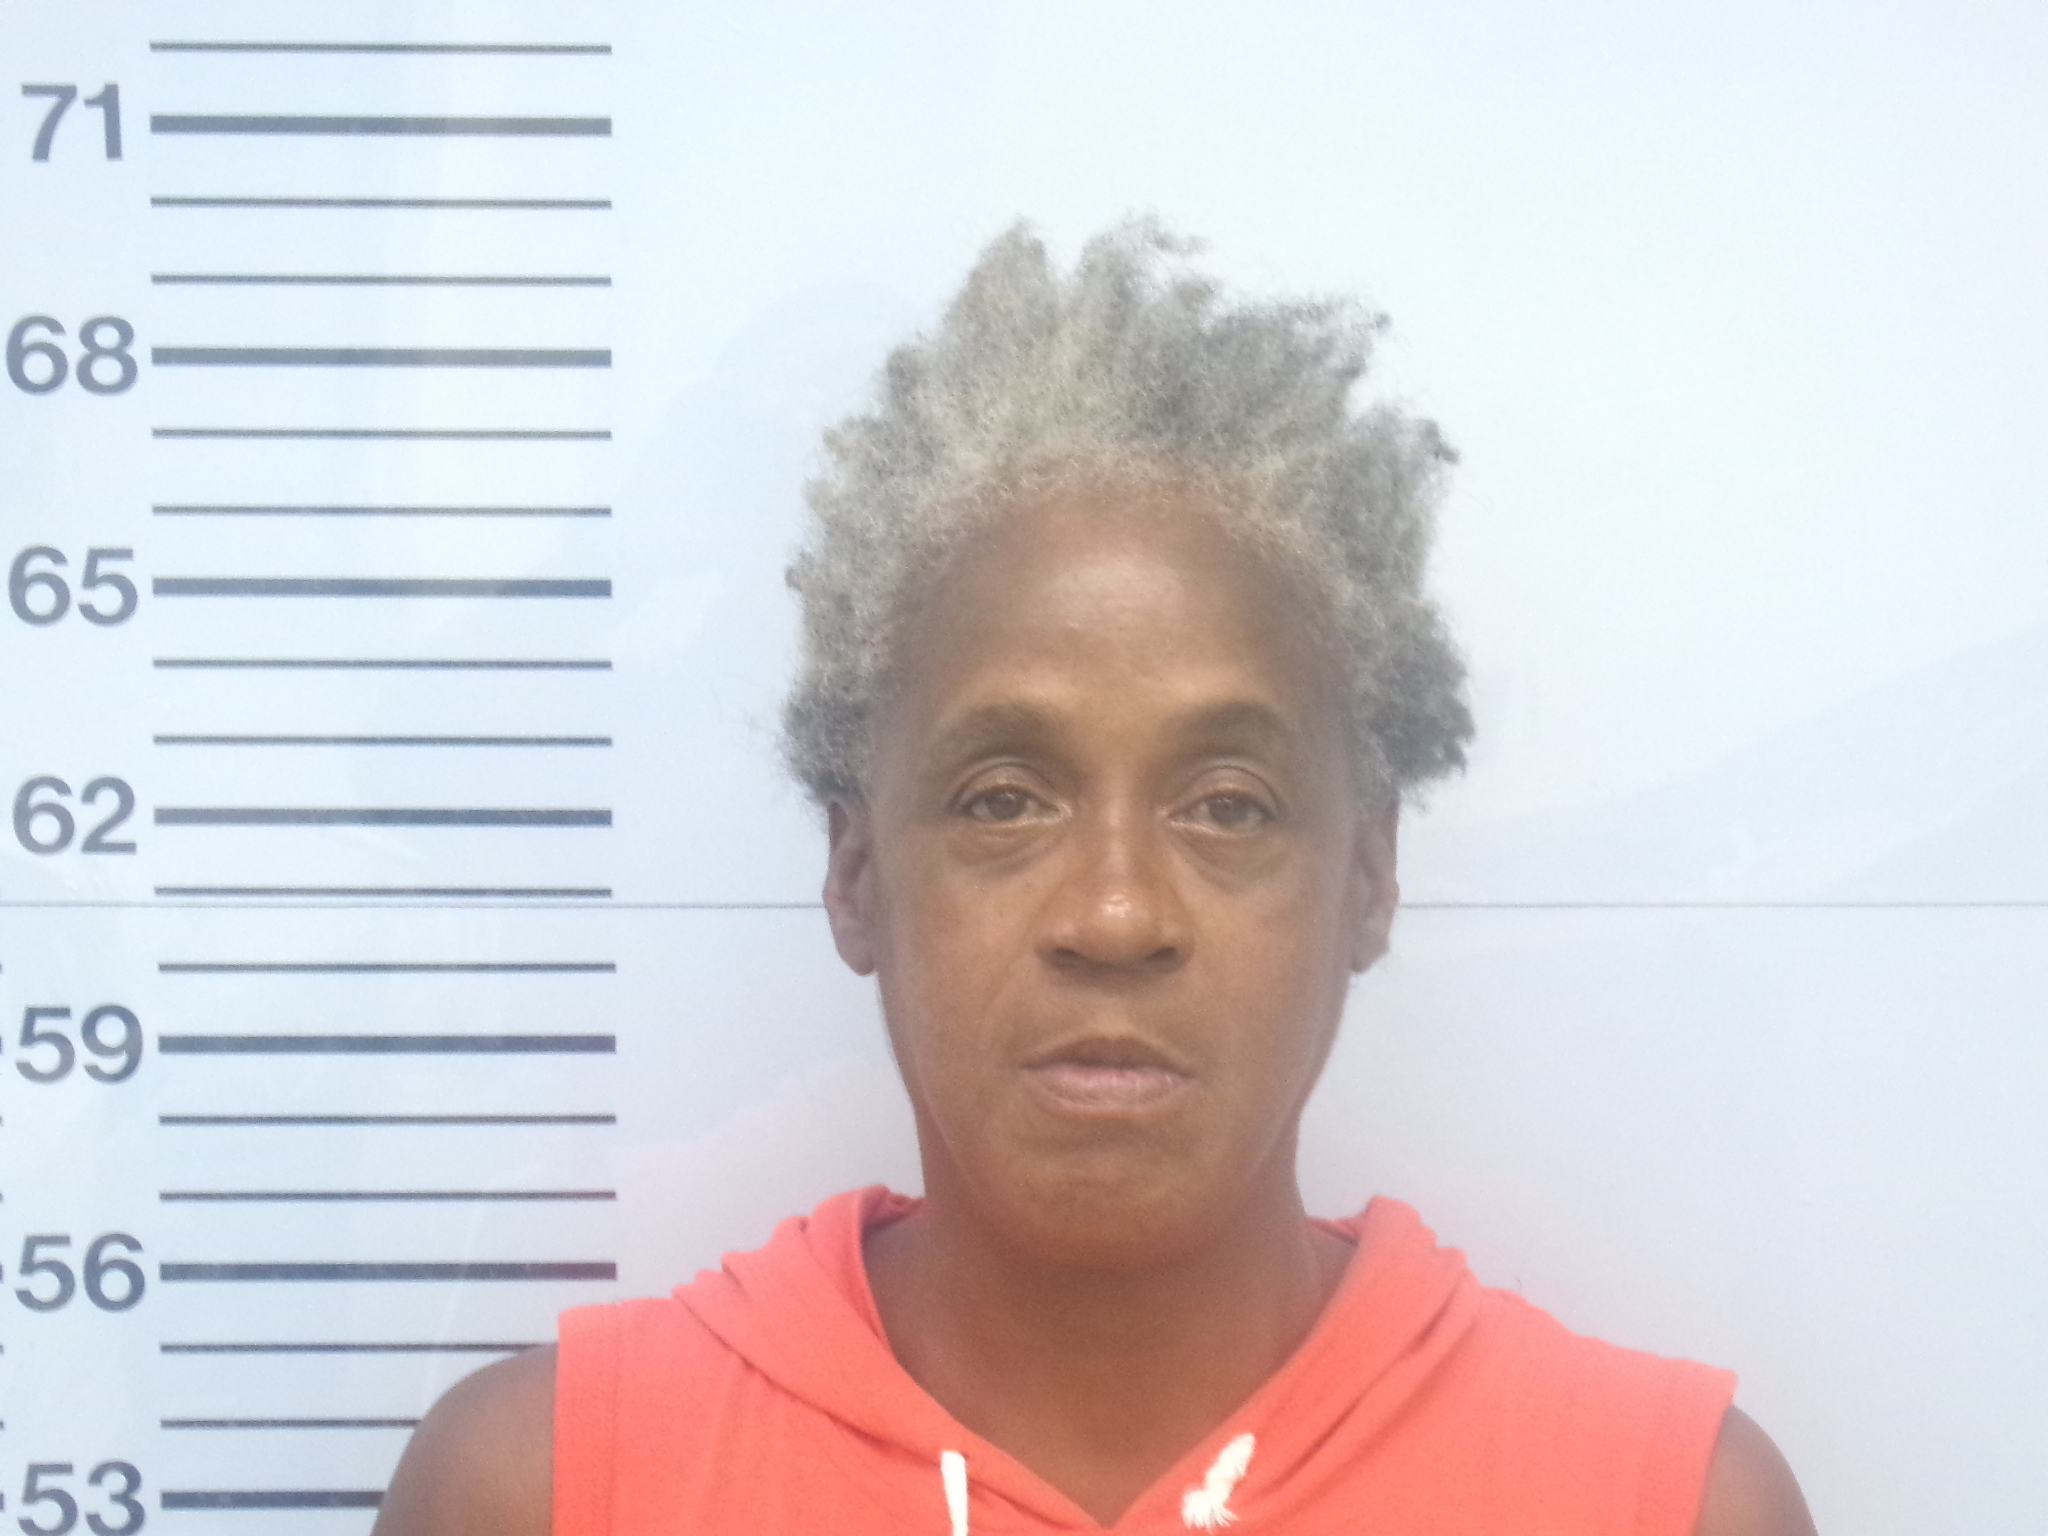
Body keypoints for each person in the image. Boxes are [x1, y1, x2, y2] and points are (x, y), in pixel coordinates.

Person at [370, 222, 1817, 1535]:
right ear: (858, 874)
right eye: (1003, 800)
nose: (1116, 914)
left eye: (1230, 807)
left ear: (1368, 880)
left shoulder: (1668, 1503)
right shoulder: (545, 1491)